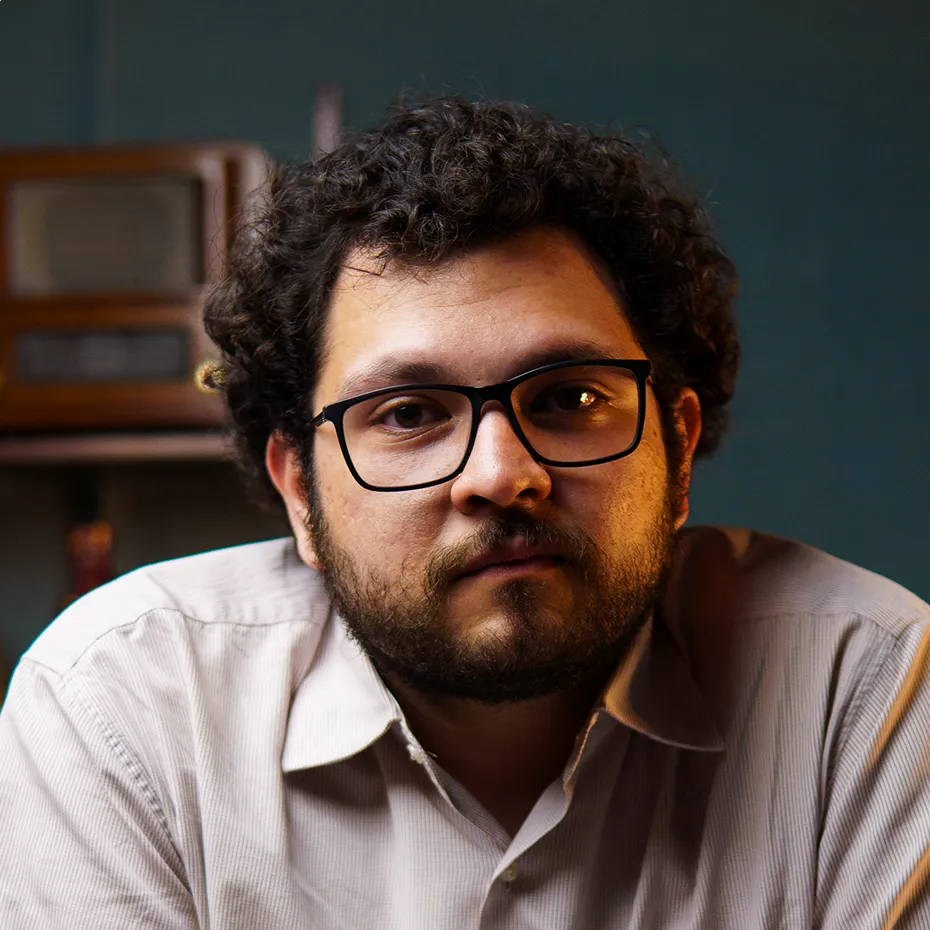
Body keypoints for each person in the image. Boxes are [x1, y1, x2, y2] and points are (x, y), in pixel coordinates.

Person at [1, 98, 928, 929]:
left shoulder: (862, 688)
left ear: (678, 451)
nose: (500, 475)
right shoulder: (125, 704)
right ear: (301, 494)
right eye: (408, 415)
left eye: (569, 398)